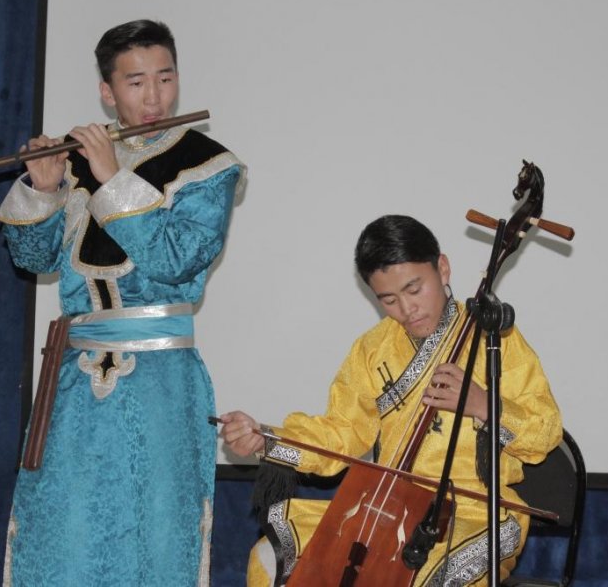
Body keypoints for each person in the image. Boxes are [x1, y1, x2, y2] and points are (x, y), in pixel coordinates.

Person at [0, 19, 245, 586]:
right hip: (74, 389)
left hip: (160, 379)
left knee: (153, 528)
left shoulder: (209, 164)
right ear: (107, 91)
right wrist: (43, 185)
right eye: (135, 83)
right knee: (64, 528)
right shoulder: (76, 158)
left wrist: (110, 176)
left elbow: (178, 258)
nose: (154, 95)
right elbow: (33, 258)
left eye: (165, 77)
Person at [220, 215, 561, 586]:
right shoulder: (372, 349)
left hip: (475, 513)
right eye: (389, 300)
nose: (407, 309)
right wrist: (267, 438)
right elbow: (343, 434)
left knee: (424, 577)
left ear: (442, 268)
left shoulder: (496, 338)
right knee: (271, 558)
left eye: (415, 289)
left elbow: (545, 434)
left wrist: (483, 405)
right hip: (389, 508)